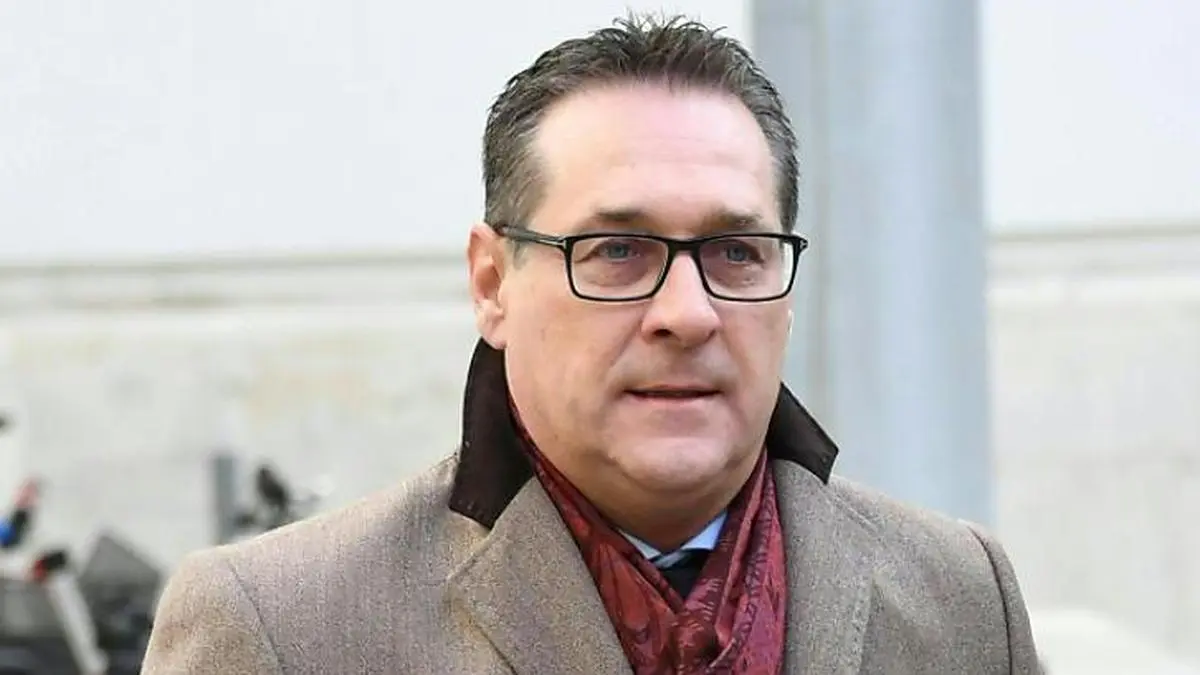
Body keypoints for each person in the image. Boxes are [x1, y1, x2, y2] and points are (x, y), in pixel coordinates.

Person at [142, 14, 1040, 674]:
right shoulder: (283, 628)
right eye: (616, 251)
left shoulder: (961, 599)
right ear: (491, 283)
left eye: (736, 252)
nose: (687, 313)